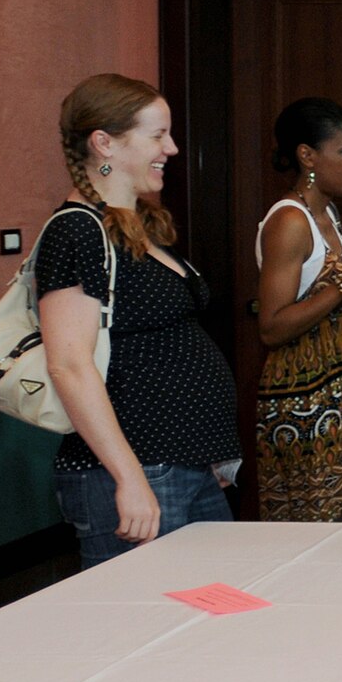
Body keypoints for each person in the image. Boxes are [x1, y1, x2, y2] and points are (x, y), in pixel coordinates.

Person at [39, 74, 237, 567]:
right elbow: (69, 365)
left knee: (213, 613)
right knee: (145, 629)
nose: (171, 148)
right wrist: (129, 479)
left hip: (184, 466)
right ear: (104, 142)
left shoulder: (137, 227)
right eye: (157, 135)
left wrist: (204, 449)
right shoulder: (76, 231)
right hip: (134, 472)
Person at [255, 97, 342, 522]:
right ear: (307, 155)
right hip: (304, 403)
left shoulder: (328, 211)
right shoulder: (289, 221)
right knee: (317, 531)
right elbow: (272, 327)